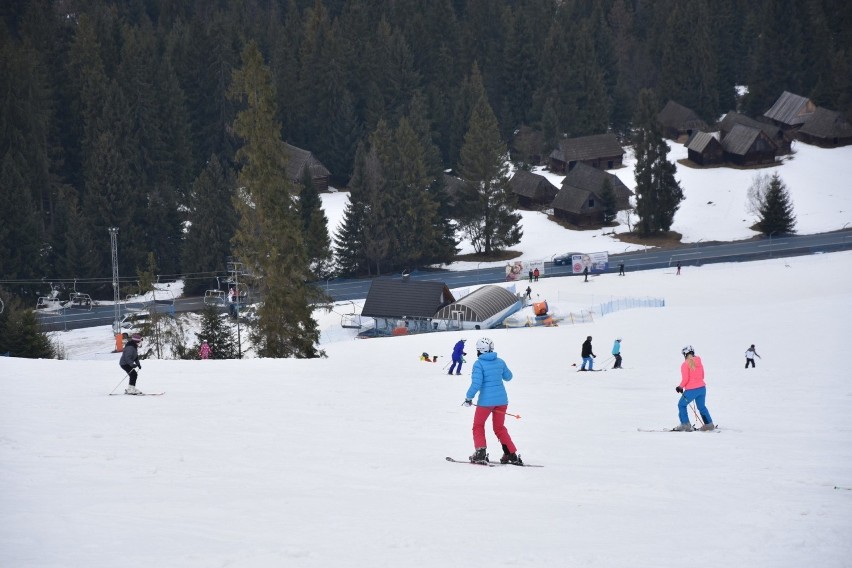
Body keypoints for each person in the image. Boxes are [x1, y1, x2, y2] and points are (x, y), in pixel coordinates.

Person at [462, 338, 522, 465]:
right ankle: (510, 453)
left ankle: (480, 452)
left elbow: (476, 383)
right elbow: (509, 377)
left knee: (478, 425)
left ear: (479, 350)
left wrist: (468, 398)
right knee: (499, 428)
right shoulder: (500, 362)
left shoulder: (478, 364)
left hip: (485, 402)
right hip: (502, 400)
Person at [674, 345, 715, 431]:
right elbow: (703, 376)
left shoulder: (685, 364)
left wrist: (680, 387)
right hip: (702, 389)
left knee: (681, 405)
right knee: (702, 407)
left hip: (692, 390)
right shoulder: (699, 362)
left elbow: (685, 379)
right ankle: (709, 424)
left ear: (685, 354)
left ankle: (685, 424)